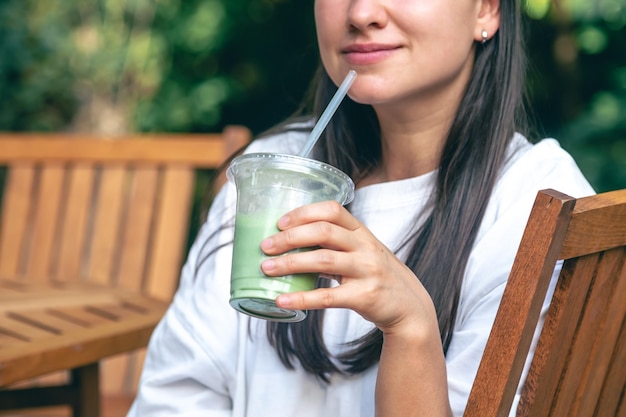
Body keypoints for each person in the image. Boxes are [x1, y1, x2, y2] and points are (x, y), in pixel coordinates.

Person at [128, 0, 594, 416]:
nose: (361, 13)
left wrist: (412, 329)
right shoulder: (270, 176)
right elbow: (178, 394)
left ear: (486, 11)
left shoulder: (538, 205)